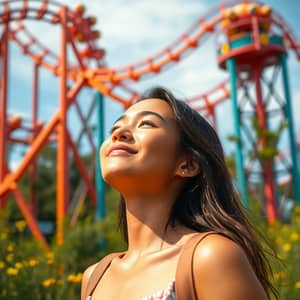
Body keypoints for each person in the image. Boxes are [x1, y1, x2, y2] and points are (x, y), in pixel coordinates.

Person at [81, 87, 277, 300]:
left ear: (187, 165)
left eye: (146, 123)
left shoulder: (210, 257)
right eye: (115, 127)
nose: (119, 134)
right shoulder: (95, 276)